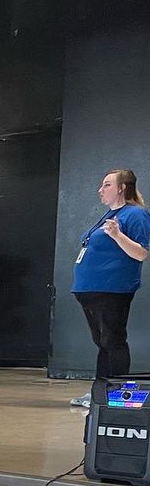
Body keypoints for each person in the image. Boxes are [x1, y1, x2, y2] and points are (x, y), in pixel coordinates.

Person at [69, 169, 150, 409]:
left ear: (122, 187)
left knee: (113, 341)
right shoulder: (110, 214)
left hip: (112, 290)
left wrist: (116, 235)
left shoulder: (135, 214)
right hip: (91, 290)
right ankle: (100, 392)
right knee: (103, 342)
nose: (100, 189)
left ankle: (118, 394)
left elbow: (141, 253)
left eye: (106, 185)